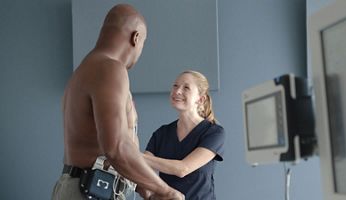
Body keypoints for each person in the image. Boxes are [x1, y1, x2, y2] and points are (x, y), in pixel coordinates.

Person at [51, 4, 184, 200]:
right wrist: (164, 190)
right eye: (143, 43)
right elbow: (116, 147)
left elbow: (109, 146)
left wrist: (143, 186)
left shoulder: (86, 70)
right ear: (136, 37)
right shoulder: (109, 69)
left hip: (86, 187)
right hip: (89, 190)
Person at [143, 70, 225, 200]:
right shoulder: (161, 133)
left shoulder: (214, 132)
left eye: (186, 87)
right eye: (175, 86)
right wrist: (151, 196)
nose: (177, 91)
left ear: (200, 99)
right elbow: (143, 173)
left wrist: (135, 156)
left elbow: (183, 169)